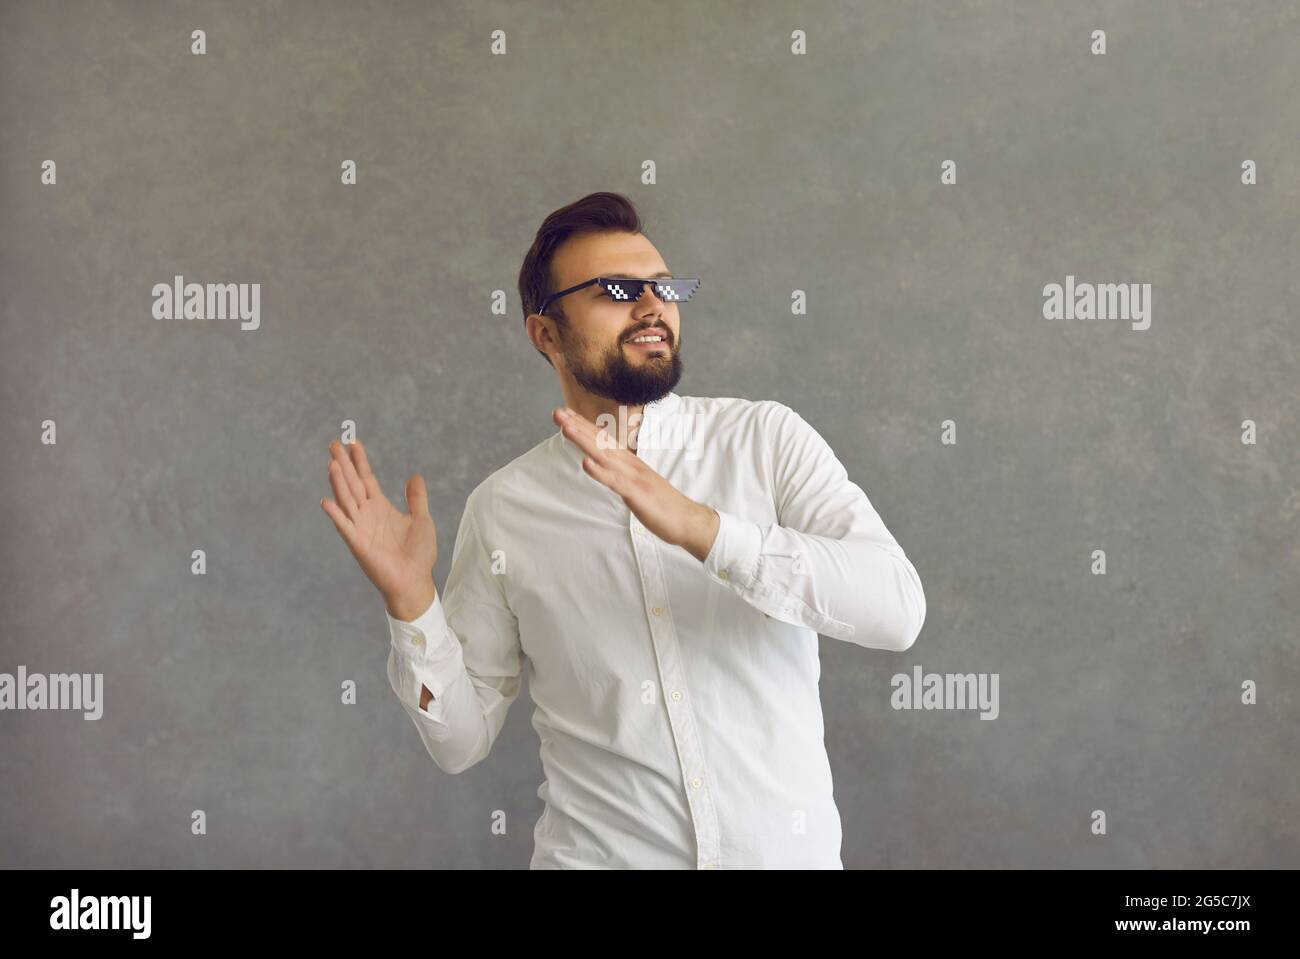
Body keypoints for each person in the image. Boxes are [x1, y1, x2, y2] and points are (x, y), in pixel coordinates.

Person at [320, 191, 926, 869]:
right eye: (616, 289)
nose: (651, 306)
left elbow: (897, 610)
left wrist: (704, 529)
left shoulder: (765, 439)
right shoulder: (505, 508)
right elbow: (460, 741)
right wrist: (412, 606)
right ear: (545, 334)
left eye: (663, 287)